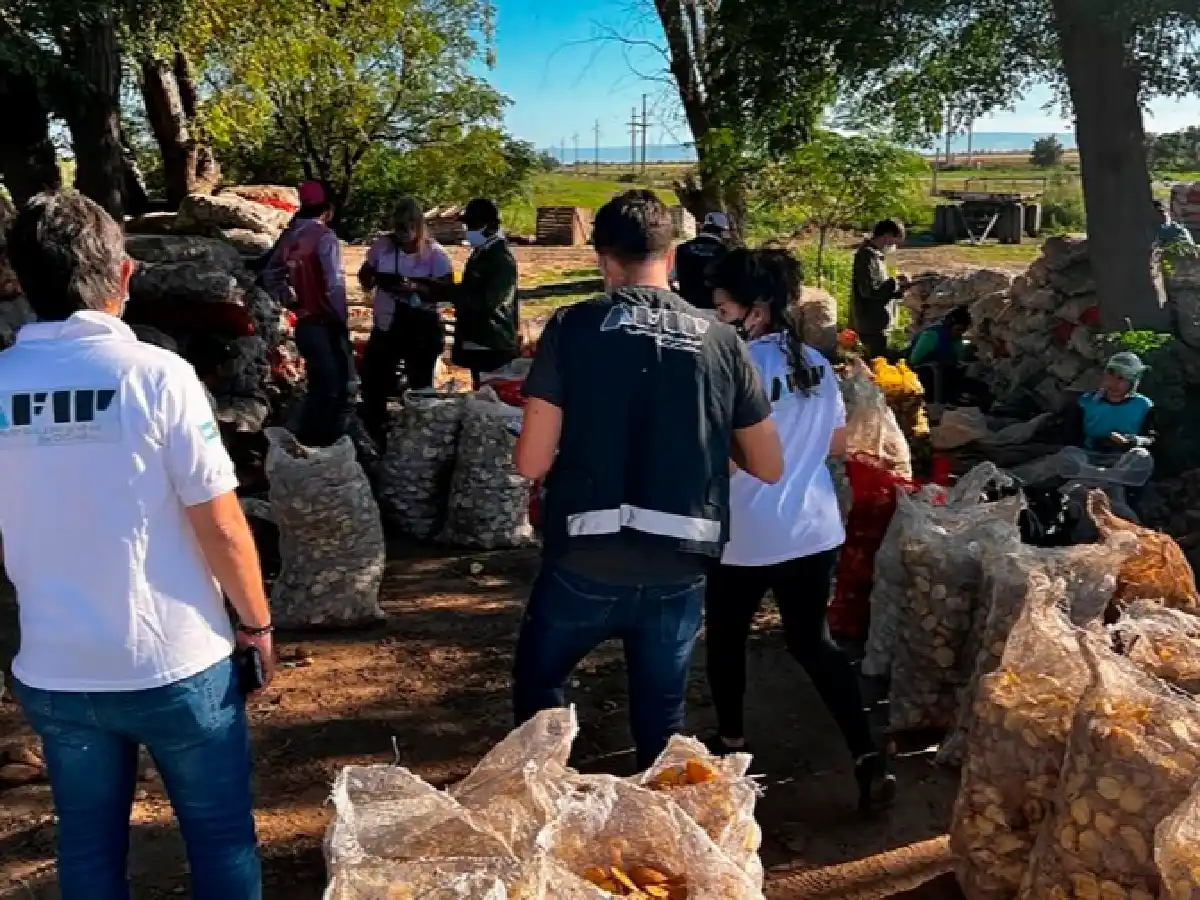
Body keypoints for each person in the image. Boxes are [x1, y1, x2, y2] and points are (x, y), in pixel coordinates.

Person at [1, 192, 274, 900]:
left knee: (87, 846)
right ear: (123, 275)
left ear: (20, 279)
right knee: (218, 838)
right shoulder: (157, 376)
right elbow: (219, 522)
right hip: (176, 664)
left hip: (57, 669)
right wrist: (256, 622)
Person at [511, 190, 784, 768]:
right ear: (672, 253)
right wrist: (705, 455)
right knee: (661, 729)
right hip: (679, 564)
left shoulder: (573, 327)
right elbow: (768, 464)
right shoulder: (723, 342)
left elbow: (531, 462)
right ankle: (653, 840)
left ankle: (547, 812)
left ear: (604, 258)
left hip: (585, 559)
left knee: (539, 699)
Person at [706, 247, 896, 813]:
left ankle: (732, 745)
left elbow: (730, 460)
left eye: (722, 307)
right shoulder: (816, 362)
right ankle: (865, 755)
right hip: (813, 529)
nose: (716, 317)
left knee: (726, 640)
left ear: (754, 310)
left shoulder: (732, 366)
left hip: (745, 532)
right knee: (814, 643)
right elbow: (837, 444)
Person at [262, 180, 353, 447]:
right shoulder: (324, 237)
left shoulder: (290, 235)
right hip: (326, 323)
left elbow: (271, 273)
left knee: (317, 386)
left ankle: (307, 441)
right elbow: (334, 283)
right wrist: (341, 319)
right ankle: (321, 445)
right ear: (329, 209)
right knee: (335, 389)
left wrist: (289, 299)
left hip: (305, 323)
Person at [358, 197, 455, 445]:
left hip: (421, 330)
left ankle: (421, 439)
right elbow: (365, 274)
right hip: (386, 326)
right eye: (398, 228)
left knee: (420, 386)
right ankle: (375, 434)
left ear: (418, 226)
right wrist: (373, 278)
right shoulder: (383, 247)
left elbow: (446, 291)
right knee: (374, 382)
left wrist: (413, 287)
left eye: (407, 228)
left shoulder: (435, 254)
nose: (402, 235)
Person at [452, 198, 520, 386]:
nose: (469, 231)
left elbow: (491, 301)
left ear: (490, 226)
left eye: (473, 226)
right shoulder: (480, 253)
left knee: (493, 393)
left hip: (493, 340)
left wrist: (455, 296)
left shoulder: (501, 259)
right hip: (476, 338)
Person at [851, 220, 909, 360]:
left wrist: (899, 289)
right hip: (871, 325)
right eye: (893, 242)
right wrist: (894, 283)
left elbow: (880, 290)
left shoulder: (875, 256)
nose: (893, 246)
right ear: (887, 235)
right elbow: (869, 291)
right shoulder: (866, 256)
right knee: (877, 366)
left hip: (877, 324)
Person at [908, 305, 976, 404]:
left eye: (963, 331)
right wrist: (933, 363)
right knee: (937, 370)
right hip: (923, 375)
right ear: (950, 325)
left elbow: (958, 357)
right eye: (958, 329)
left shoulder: (956, 340)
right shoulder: (931, 335)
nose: (960, 334)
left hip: (944, 375)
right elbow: (913, 360)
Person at [670, 211, 733, 310]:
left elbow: (670, 279)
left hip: (686, 309)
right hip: (715, 312)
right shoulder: (726, 254)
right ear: (722, 232)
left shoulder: (681, 249)